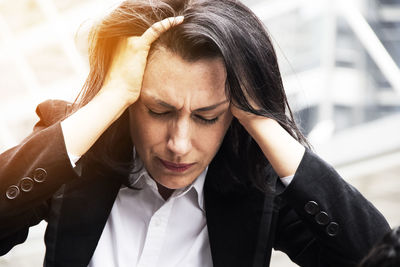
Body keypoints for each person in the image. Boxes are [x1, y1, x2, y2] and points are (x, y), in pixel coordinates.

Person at [0, 0, 390, 266]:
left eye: (207, 116)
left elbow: (375, 256)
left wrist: (261, 119)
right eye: (158, 110)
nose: (179, 144)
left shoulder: (258, 187)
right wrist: (110, 96)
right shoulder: (77, 151)